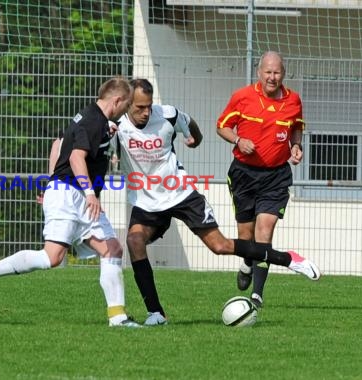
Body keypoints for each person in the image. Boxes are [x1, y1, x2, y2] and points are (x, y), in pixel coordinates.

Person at [114, 78, 320, 325]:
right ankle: (156, 313)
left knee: (220, 245)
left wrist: (194, 139)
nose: (146, 112)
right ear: (126, 104)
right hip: (146, 201)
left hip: (180, 194)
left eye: (148, 106)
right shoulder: (116, 126)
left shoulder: (166, 115)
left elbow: (190, 124)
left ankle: (288, 259)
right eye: (139, 108)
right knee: (134, 241)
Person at [0, 77, 143, 327]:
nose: (128, 110)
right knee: (51, 258)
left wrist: (55, 182)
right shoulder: (93, 120)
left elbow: (59, 144)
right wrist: (88, 192)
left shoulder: (94, 118)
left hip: (74, 194)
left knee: (112, 249)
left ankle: (118, 317)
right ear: (118, 100)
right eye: (128, 104)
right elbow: (77, 157)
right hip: (71, 194)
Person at [217, 51, 306, 309]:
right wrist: (237, 139)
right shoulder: (242, 97)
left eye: (276, 72)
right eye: (268, 72)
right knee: (246, 237)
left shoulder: (293, 100)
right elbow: (221, 125)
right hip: (244, 174)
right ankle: (247, 261)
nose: (272, 77)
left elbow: (296, 126)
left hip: (276, 176)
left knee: (264, 231)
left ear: (283, 74)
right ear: (259, 73)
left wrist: (296, 145)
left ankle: (257, 295)